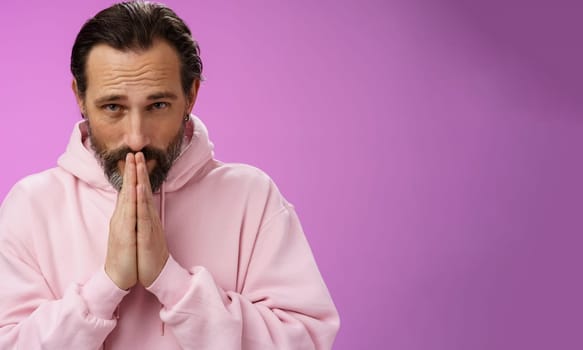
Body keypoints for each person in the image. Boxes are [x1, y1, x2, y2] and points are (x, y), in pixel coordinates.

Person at [0, 1, 340, 349]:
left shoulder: (252, 197)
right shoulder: (31, 206)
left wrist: (170, 280)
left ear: (190, 96)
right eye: (113, 107)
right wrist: (108, 284)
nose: (136, 137)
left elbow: (306, 341)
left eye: (157, 106)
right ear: (80, 98)